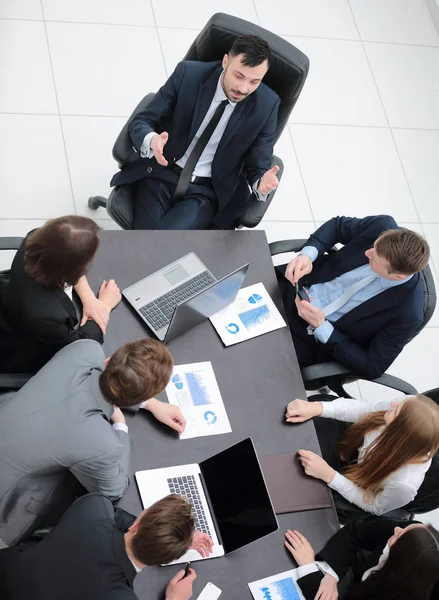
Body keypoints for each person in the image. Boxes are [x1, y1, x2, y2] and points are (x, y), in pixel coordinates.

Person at [0, 337, 186, 546]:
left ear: (109, 361)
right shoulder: (103, 445)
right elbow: (113, 490)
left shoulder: (86, 349)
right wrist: (121, 426)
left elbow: (104, 375)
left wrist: (149, 404)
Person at [111, 35, 280, 230]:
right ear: (225, 61)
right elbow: (143, 121)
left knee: (156, 245)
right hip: (163, 171)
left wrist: (261, 183)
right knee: (152, 245)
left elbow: (259, 163)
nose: (243, 88)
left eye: (254, 81)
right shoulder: (188, 75)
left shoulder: (267, 105)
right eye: (239, 76)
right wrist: (151, 139)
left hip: (207, 190)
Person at [276, 215, 430, 379]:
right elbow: (337, 226)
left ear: (399, 276)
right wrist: (307, 255)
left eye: (374, 259)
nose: (367, 253)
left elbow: (372, 366)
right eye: (374, 247)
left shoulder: (408, 314)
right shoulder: (382, 226)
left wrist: (321, 326)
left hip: (309, 338)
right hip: (294, 285)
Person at [0, 493, 213, 600]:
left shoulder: (93, 508)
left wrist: (159, 531)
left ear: (136, 525)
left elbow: (112, 514)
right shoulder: (121, 596)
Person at [0, 215, 121, 373]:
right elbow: (78, 347)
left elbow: (65, 266)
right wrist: (105, 305)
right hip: (19, 346)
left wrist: (90, 299)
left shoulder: (34, 241)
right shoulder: (47, 317)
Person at [285, 394, 439, 516]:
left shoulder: (404, 485)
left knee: (290, 471)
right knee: (296, 426)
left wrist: (329, 475)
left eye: (397, 411)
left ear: (400, 434)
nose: (393, 404)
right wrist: (318, 408)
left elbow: (373, 505)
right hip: (352, 440)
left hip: (357, 480)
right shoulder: (408, 403)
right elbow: (367, 409)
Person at [284, 518, 439, 600]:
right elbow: (356, 531)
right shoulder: (413, 532)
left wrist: (308, 568)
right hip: (356, 573)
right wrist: (331, 574)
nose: (397, 529)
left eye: (398, 536)